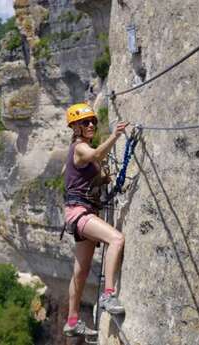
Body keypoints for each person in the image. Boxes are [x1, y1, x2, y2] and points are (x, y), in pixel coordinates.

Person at [62, 103, 128, 337]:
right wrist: (115, 136)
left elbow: (87, 175)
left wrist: (102, 180)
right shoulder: (79, 147)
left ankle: (72, 321)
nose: (90, 125)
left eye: (93, 122)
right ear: (75, 127)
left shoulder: (83, 150)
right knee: (116, 239)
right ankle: (109, 294)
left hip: (80, 212)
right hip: (81, 213)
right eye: (85, 122)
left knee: (81, 272)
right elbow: (96, 154)